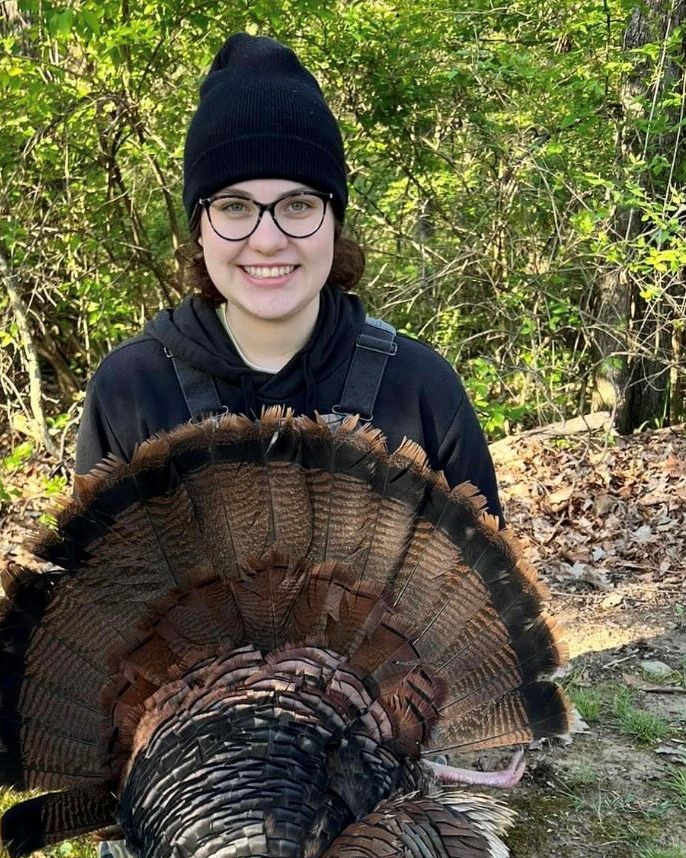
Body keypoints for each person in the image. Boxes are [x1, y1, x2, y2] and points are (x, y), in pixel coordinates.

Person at [75, 32, 505, 524]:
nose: (267, 240)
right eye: (235, 207)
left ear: (334, 220)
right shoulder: (133, 391)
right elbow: (101, 592)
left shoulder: (420, 389)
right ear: (200, 228)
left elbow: (485, 597)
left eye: (297, 205)